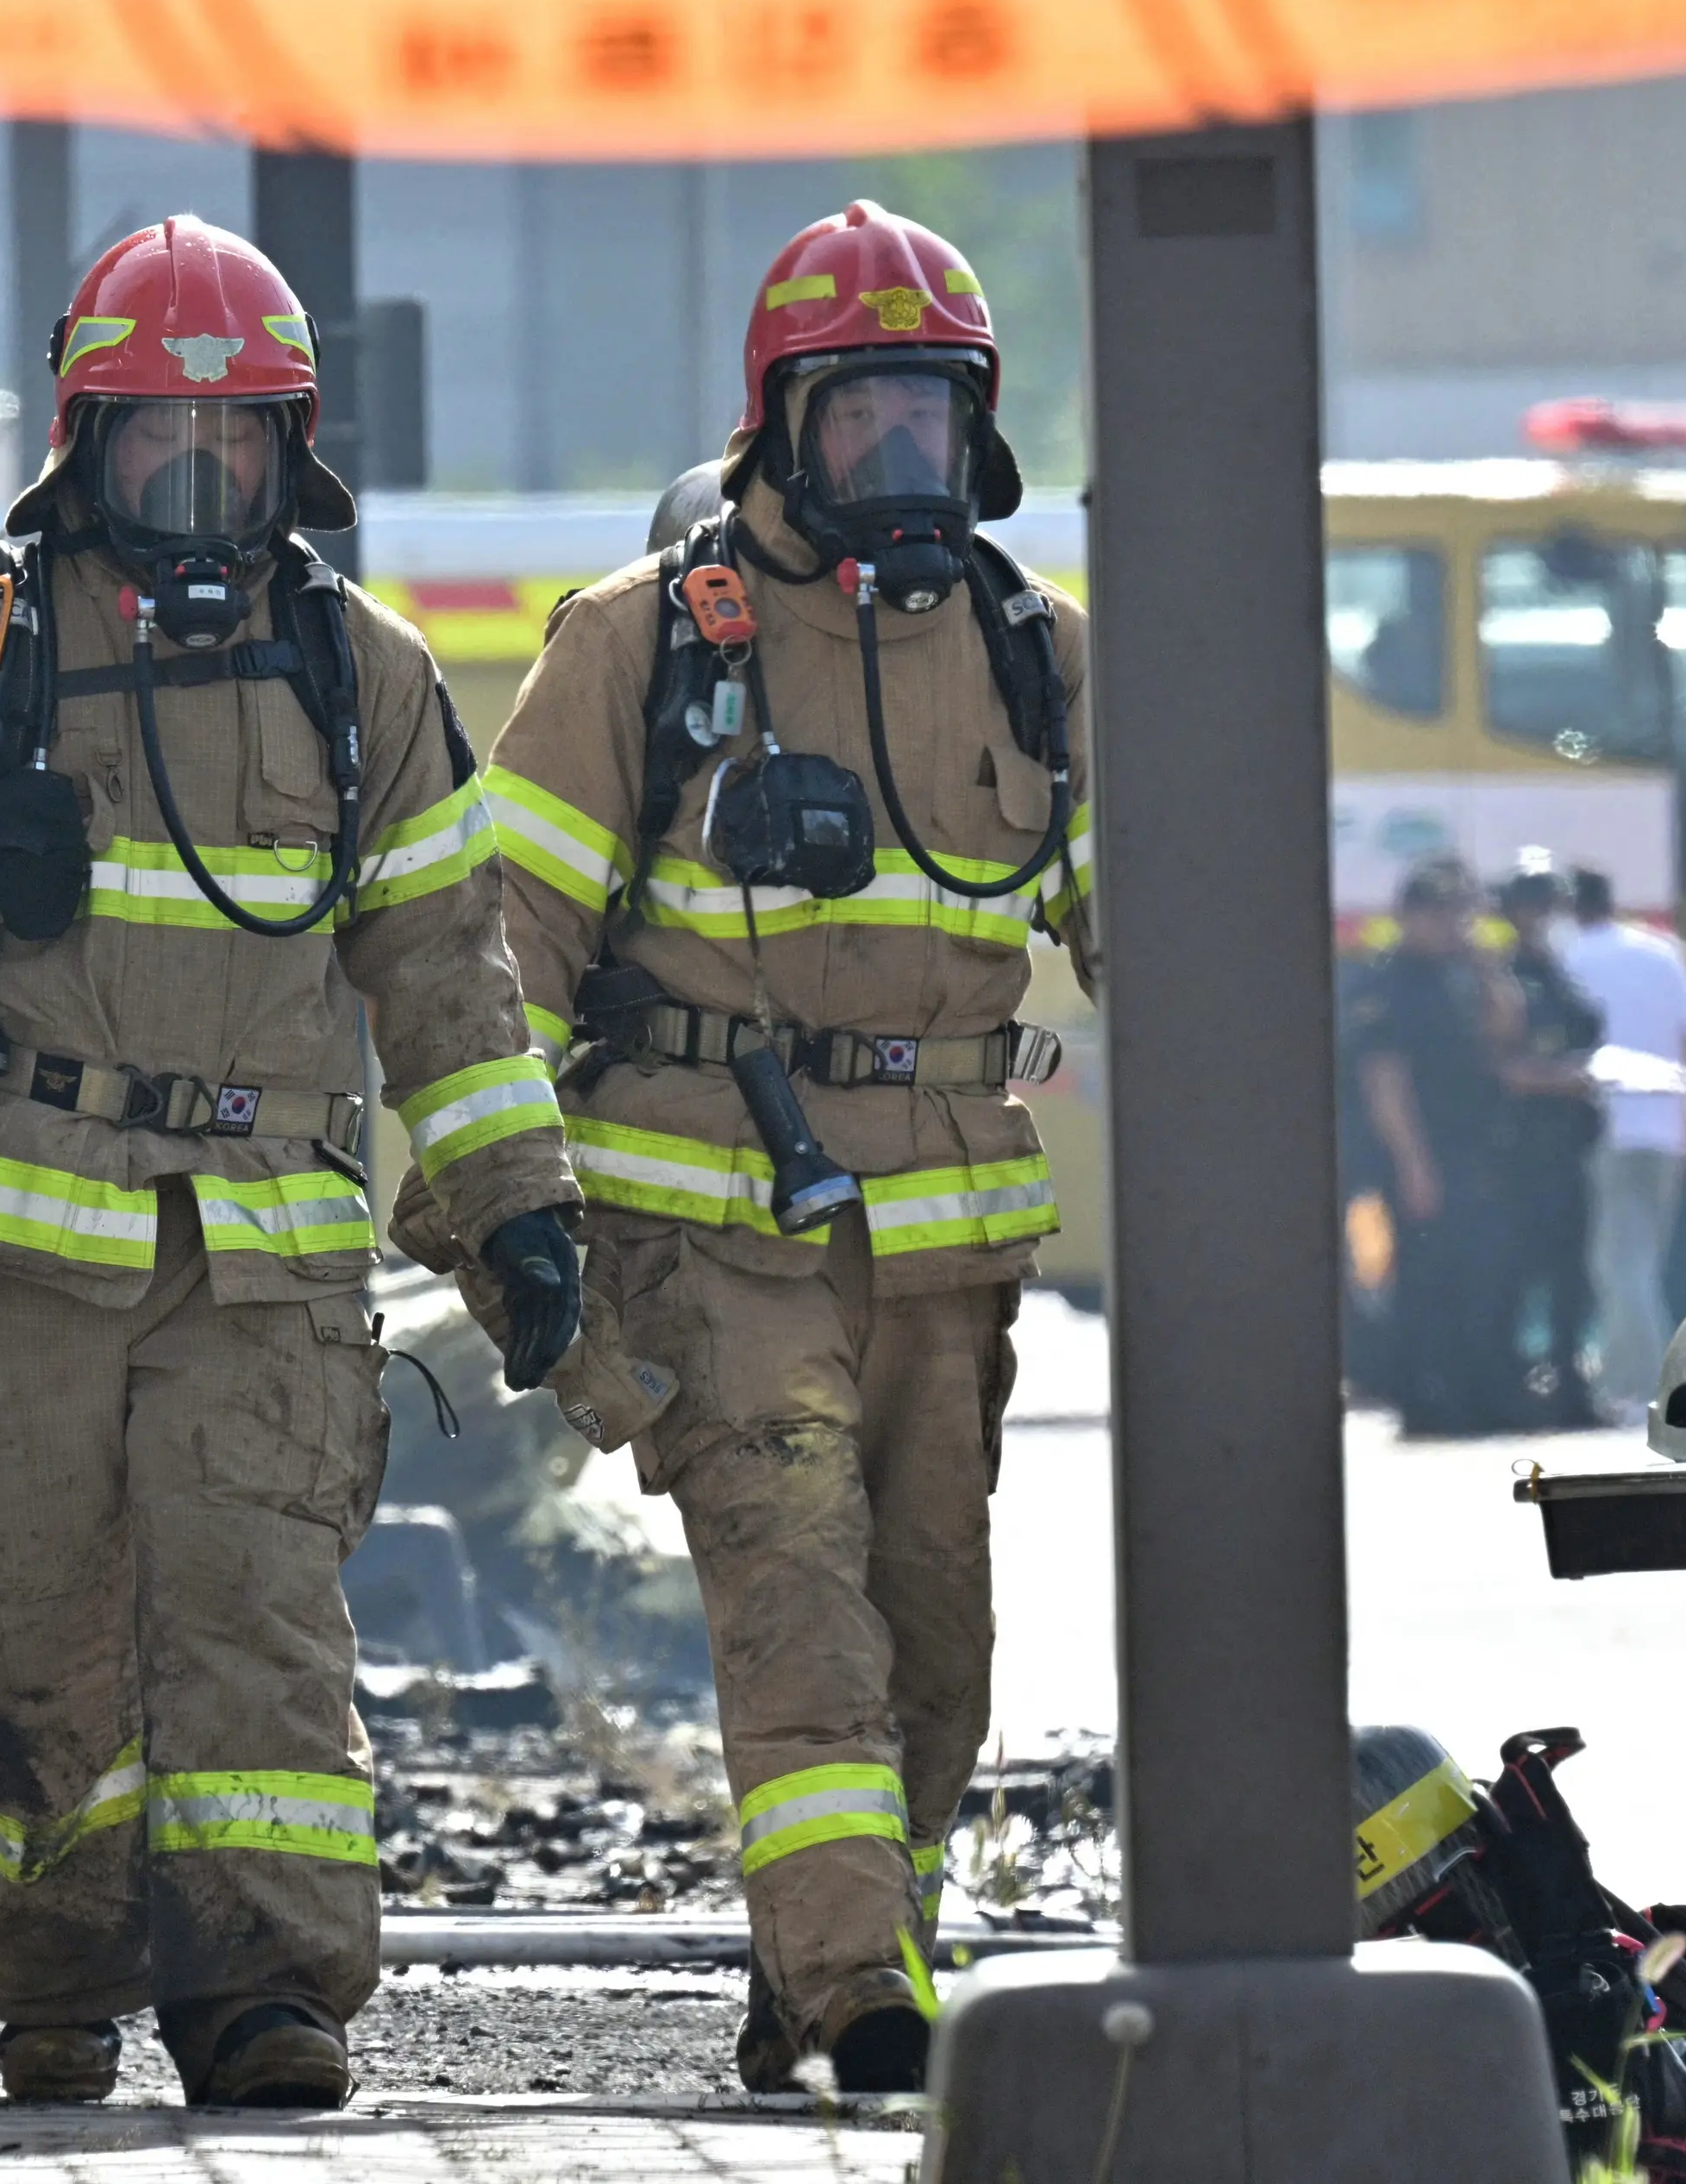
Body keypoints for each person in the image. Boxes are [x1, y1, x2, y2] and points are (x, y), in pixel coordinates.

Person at [0, 216, 580, 2110]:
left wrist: (519, 1212)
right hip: (1, 1258)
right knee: (20, 1627)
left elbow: (450, 973)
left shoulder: (359, 673)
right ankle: (55, 1978)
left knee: (257, 1629)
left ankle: (263, 1995)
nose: (196, 489)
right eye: (156, 447)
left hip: (261, 1266)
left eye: (232, 450)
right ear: (83, 446)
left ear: (288, 458)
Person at [476, 200, 1093, 2093]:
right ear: (778, 424)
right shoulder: (638, 646)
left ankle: (826, 1952)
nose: (898, 458)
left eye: (930, 417)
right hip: (707, 1227)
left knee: (933, 1636)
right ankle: (859, 1995)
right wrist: (501, 1217)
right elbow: (490, 950)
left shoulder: (1035, 657)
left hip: (945, 1246)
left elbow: (1167, 930)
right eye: (859, 420)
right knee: (797, 1594)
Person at [1345, 857, 1520, 1436]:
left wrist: (1487, 967)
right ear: (1411, 915)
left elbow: (1503, 1032)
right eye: (1441, 913)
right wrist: (1414, 1166)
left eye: (1460, 913)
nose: (1452, 924)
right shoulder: (1389, 981)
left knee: (1481, 1276)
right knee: (1426, 1280)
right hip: (1421, 1154)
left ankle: (1473, 1396)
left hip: (1474, 1149)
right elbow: (1384, 1082)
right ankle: (1425, 1401)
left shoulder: (1463, 973)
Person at [1555, 865, 1686, 1419]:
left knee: (1617, 1264)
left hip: (1609, 1127)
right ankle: (1647, 1376)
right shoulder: (1663, 952)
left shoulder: (1570, 958)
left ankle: (1642, 1384)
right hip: (1666, 1126)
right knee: (1644, 1260)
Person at [1493, 855, 1603, 1426]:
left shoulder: (1563, 973)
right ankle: (1514, 1385)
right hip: (1517, 1150)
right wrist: (1563, 1078)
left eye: (1551, 904)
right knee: (1517, 1271)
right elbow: (1499, 1065)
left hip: (1568, 1146)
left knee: (1569, 1274)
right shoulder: (1505, 975)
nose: (1543, 916)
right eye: (1532, 904)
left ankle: (1568, 1383)